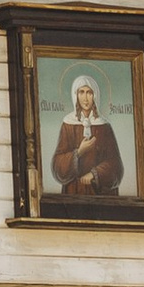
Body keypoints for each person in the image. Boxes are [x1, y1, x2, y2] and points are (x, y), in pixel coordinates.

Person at [49, 73, 126, 206]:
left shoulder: (104, 126)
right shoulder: (68, 124)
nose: (85, 98)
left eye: (89, 93)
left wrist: (94, 174)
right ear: (75, 96)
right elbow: (57, 165)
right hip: (74, 192)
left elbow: (116, 165)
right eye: (81, 92)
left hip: (100, 194)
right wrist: (78, 152)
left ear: (95, 95)